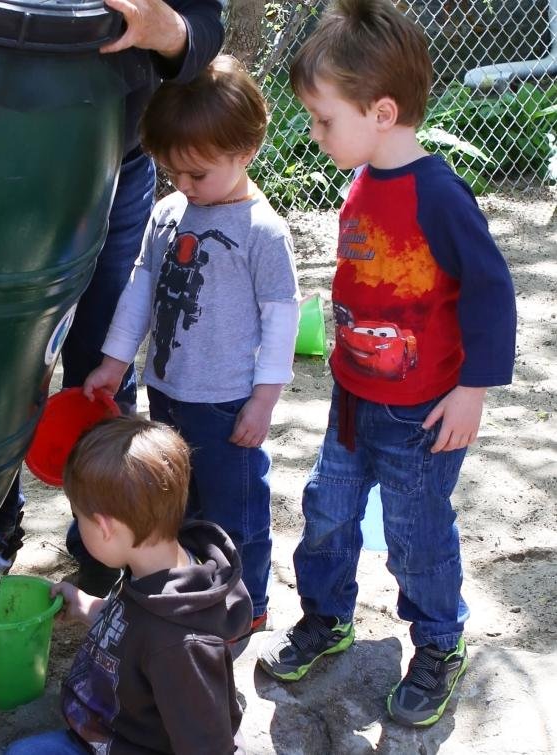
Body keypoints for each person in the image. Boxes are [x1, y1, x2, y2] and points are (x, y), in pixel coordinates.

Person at [256, 0, 517, 729]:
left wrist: (474, 389)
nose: (314, 132)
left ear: (381, 111)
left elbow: (492, 291)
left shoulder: (439, 193)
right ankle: (326, 616)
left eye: (323, 118)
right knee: (327, 513)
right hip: (352, 396)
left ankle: (438, 644)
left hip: (422, 414)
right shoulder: (363, 177)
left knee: (416, 534)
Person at [0, 0, 226, 590]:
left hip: (114, 161)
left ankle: (109, 549)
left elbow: (204, 26)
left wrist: (164, 29)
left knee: (101, 370)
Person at [83, 55, 301, 636]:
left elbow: (282, 321)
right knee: (179, 504)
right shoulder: (168, 213)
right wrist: (113, 361)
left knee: (237, 511)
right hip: (167, 393)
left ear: (246, 151)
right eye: (172, 172)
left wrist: (264, 401)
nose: (183, 185)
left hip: (228, 403)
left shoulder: (262, 232)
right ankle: (194, 593)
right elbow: (140, 290)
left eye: (197, 174)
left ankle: (248, 605)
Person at [4, 416, 252, 755]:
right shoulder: (155, 563)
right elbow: (135, 628)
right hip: (112, 729)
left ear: (105, 528)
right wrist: (88, 607)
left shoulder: (178, 644)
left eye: (79, 517)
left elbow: (208, 745)